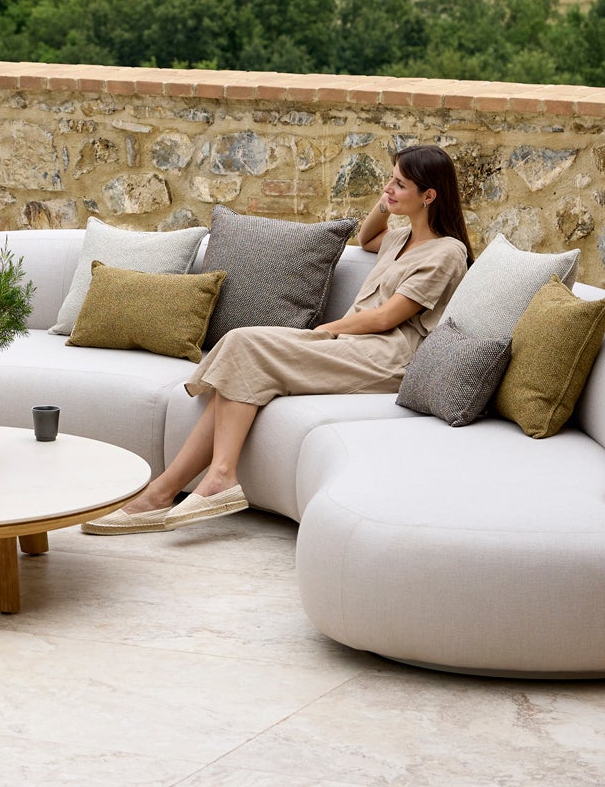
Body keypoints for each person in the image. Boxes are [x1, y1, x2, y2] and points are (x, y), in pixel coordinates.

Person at [86, 144, 473, 535]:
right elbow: (369, 235)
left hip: (385, 357)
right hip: (352, 345)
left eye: (400, 184)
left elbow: (388, 316)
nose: (389, 188)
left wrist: (327, 329)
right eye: (390, 179)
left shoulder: (447, 252)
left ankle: (192, 484)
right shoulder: (399, 239)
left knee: (244, 345)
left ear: (429, 195)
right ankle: (174, 489)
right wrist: (389, 198)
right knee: (241, 355)